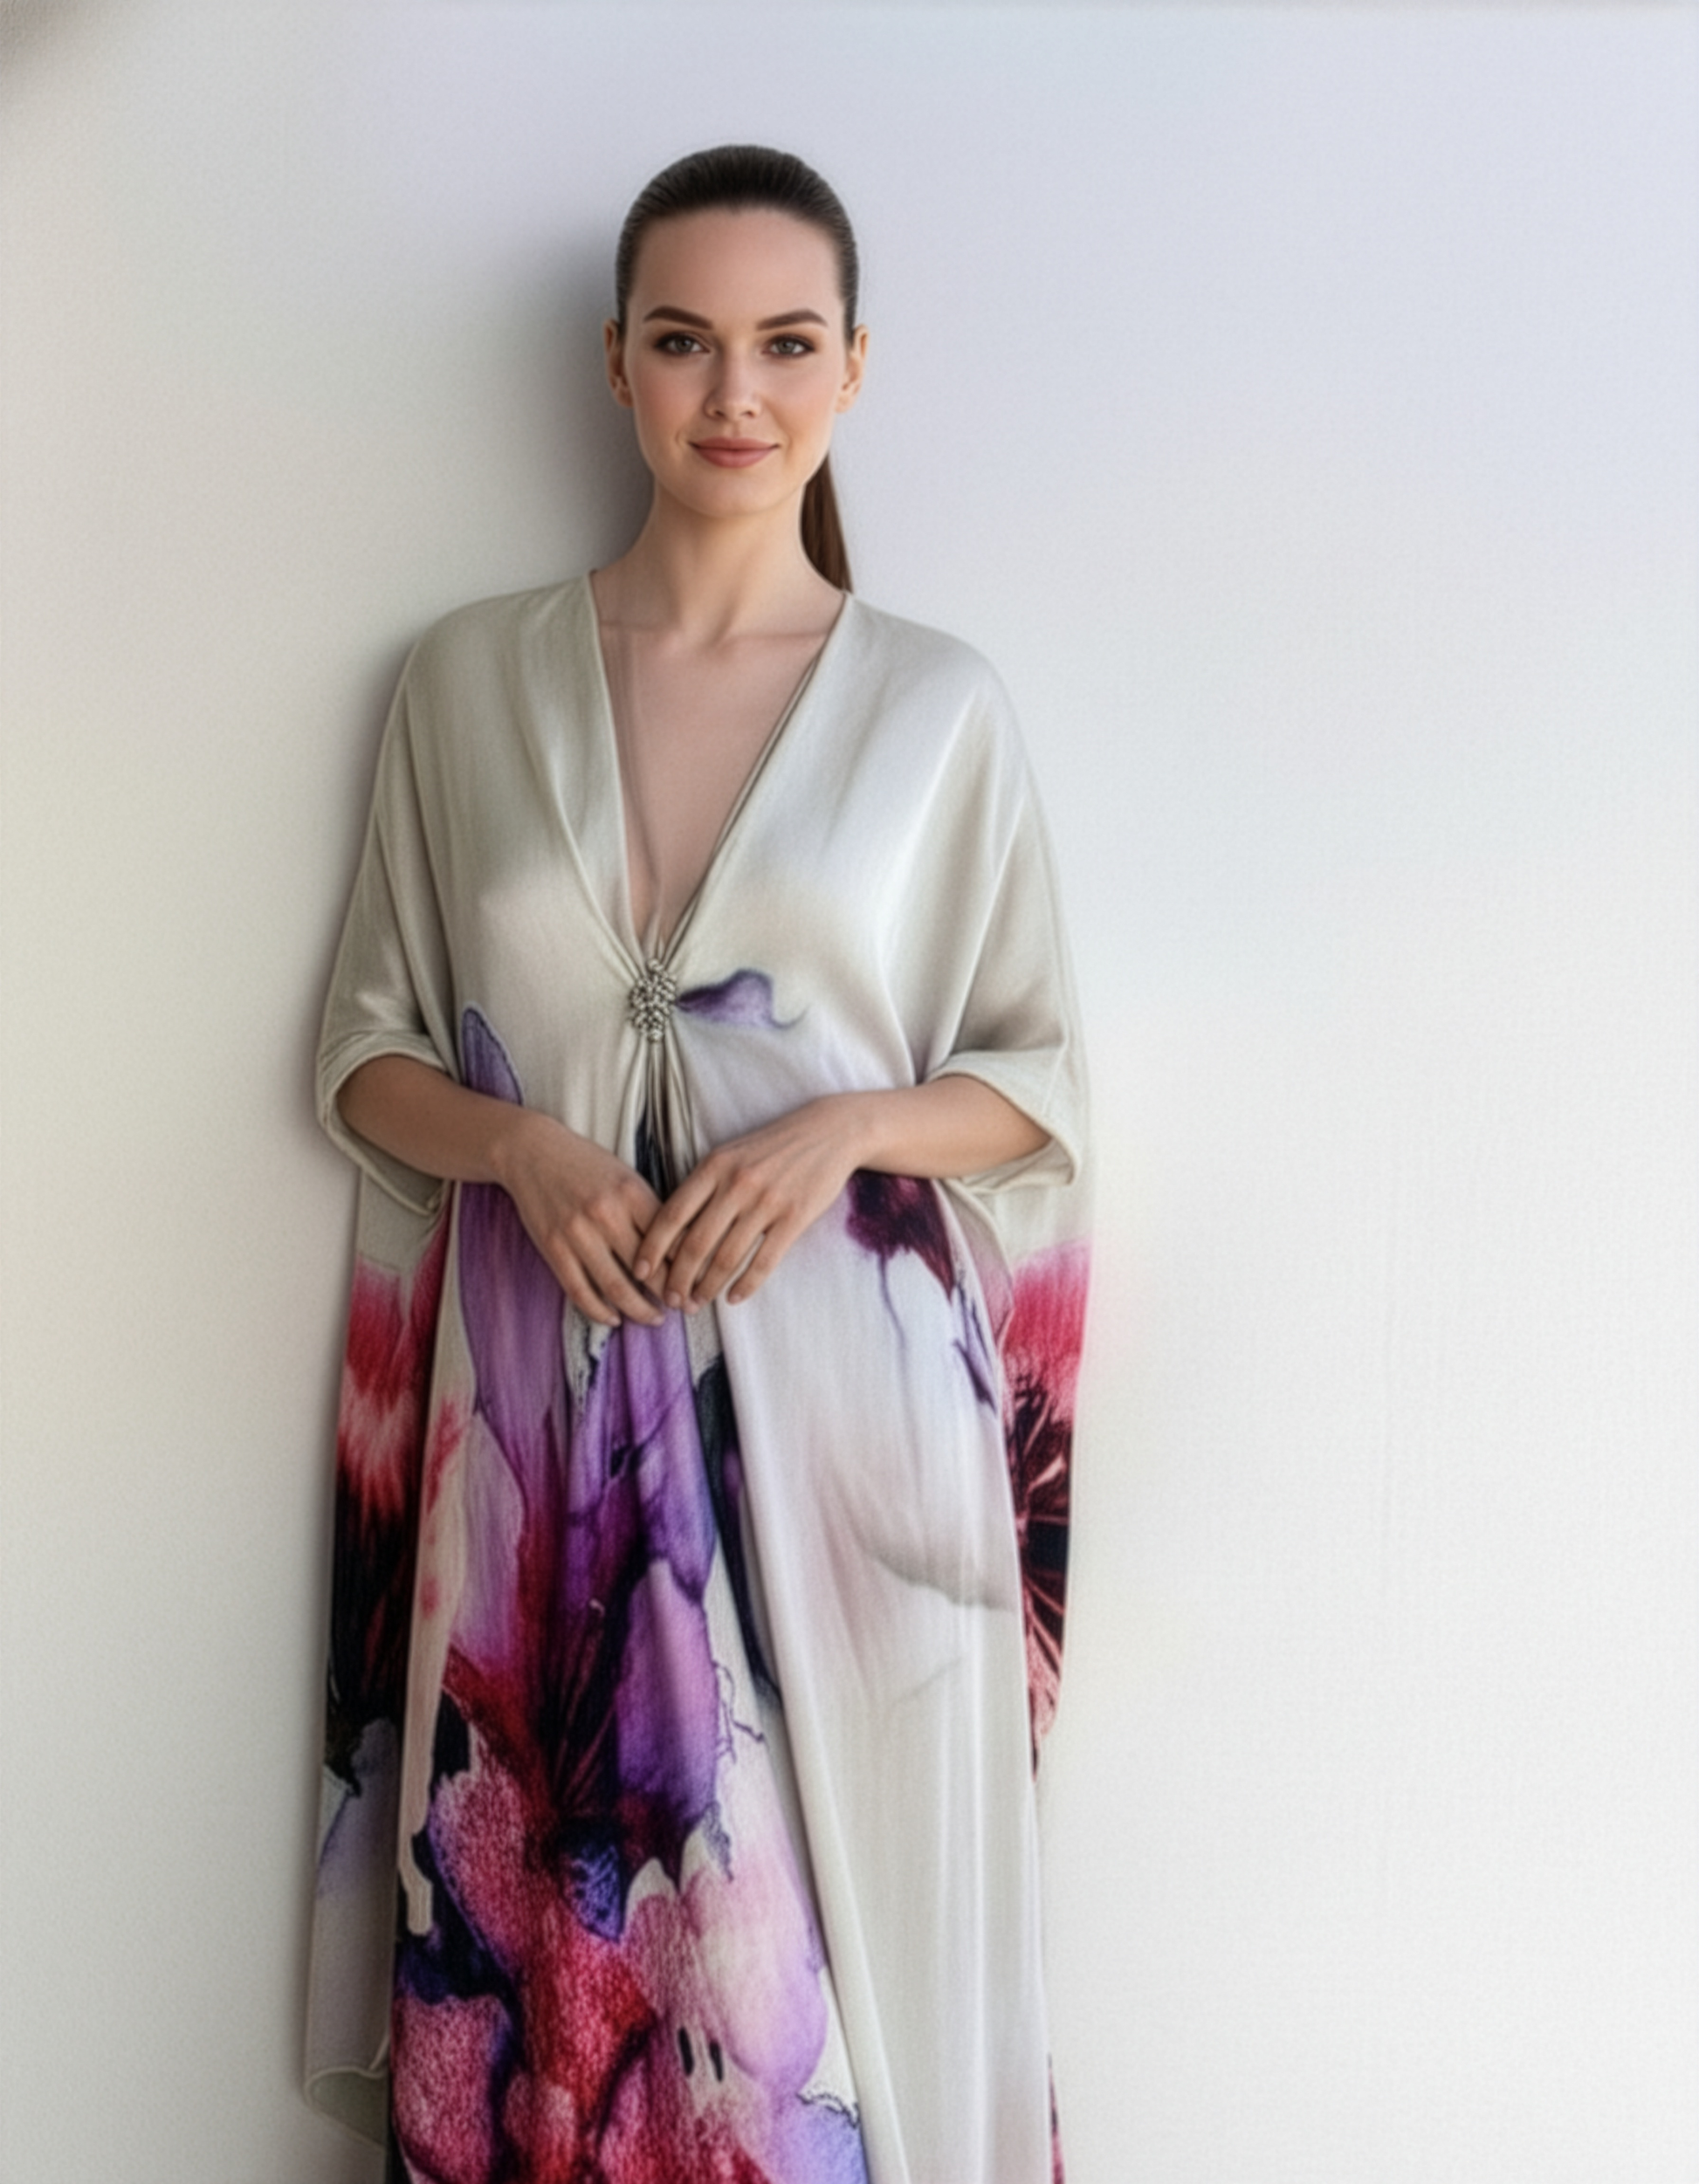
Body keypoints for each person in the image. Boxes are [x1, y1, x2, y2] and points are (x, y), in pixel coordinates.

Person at [305, 145, 1090, 2184]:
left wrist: (848, 1126)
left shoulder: (935, 710)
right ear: (616, 365)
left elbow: (1036, 1088)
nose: (735, 392)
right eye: (683, 341)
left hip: (849, 1462)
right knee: (559, 2006)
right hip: (540, 1452)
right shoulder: (466, 682)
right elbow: (367, 1057)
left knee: (813, 2040)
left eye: (785, 344)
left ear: (852, 371)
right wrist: (518, 1148)